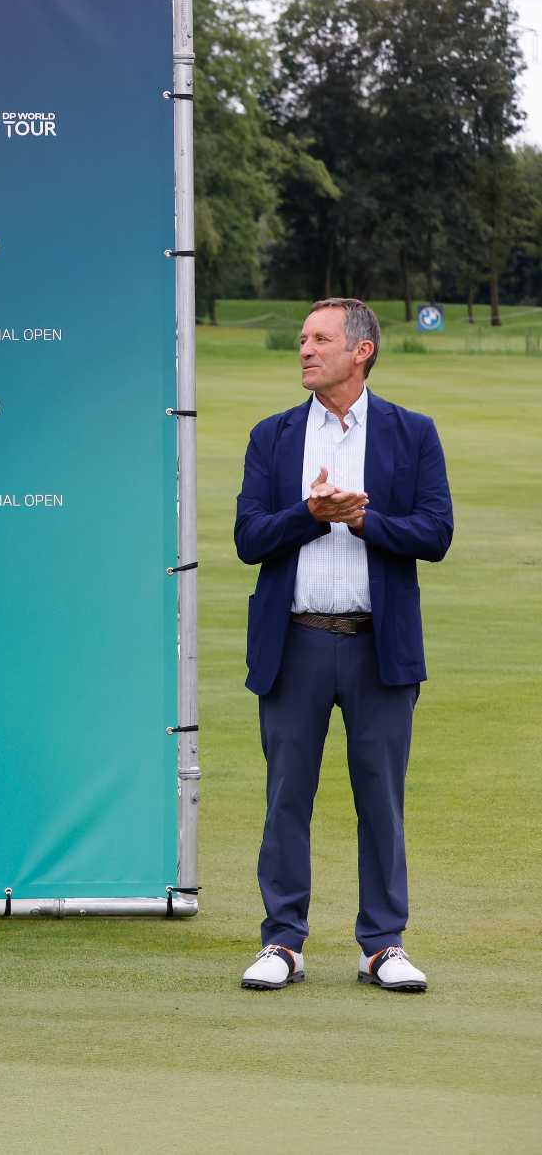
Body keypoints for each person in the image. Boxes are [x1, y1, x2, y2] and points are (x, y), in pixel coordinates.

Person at [234, 297, 453, 994]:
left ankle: (381, 945)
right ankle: (283, 941)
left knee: (379, 799)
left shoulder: (410, 434)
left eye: (319, 339)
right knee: (284, 798)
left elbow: (434, 534)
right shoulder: (271, 437)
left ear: (360, 350)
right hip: (294, 643)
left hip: (375, 645)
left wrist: (363, 521)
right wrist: (307, 515)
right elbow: (248, 539)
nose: (303, 349)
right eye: (301, 339)